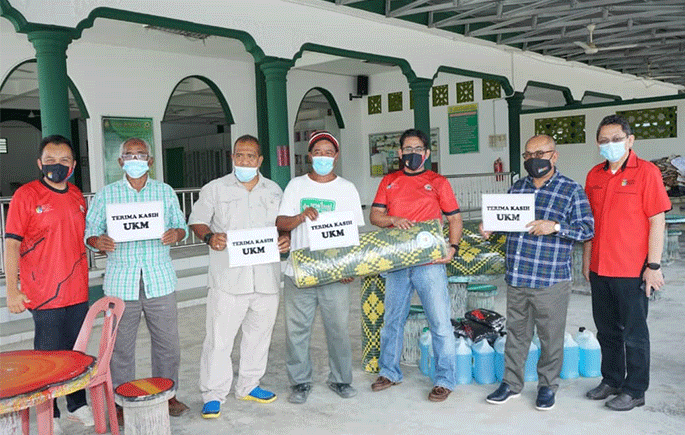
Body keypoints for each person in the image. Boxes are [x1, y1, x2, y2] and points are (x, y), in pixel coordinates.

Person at [482, 135, 594, 410]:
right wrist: (491, 228)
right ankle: (511, 383)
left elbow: (587, 229)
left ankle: (547, 386)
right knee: (516, 334)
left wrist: (555, 227)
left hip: (550, 279)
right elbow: (507, 225)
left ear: (554, 156)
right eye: (528, 155)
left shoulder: (571, 190)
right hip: (518, 276)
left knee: (550, 336)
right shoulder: (517, 189)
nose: (534, 160)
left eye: (540, 154)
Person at [84, 137, 189, 422]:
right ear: (120, 162)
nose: (134, 160)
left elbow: (181, 226)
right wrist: (98, 241)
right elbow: (89, 232)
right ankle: (119, 401)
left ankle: (168, 395)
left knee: (168, 344)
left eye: (140, 155)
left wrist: (176, 234)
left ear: (150, 161)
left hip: (160, 280)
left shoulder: (164, 192)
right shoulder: (107, 195)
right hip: (121, 282)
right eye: (128, 155)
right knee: (120, 347)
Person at [188, 135, 290, 418]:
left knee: (259, 336)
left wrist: (286, 238)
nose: (244, 160)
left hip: (266, 278)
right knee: (219, 340)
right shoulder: (215, 189)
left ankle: (249, 385)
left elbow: (282, 224)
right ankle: (213, 393)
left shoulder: (274, 190)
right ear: (232, 158)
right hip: (228, 280)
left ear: (260, 160)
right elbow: (198, 220)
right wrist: (209, 237)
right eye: (239, 155)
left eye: (250, 156)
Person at [4, 135, 93, 433]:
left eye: (64, 160)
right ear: (40, 164)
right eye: (51, 160)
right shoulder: (26, 195)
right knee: (48, 355)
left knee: (76, 351)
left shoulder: (77, 195)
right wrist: (12, 290)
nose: (58, 165)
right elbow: (11, 244)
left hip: (77, 289)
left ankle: (77, 405)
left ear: (73, 165)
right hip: (43, 292)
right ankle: (49, 413)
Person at [582, 114, 671, 411]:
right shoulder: (594, 176)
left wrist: (653, 266)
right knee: (606, 331)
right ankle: (612, 380)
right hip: (600, 268)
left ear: (630, 140)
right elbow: (589, 224)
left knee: (634, 334)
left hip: (632, 269)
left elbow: (657, 221)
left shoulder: (647, 172)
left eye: (617, 139)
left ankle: (635, 390)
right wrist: (587, 260)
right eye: (604, 141)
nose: (610, 145)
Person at [369, 128, 462, 402]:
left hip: (429, 262)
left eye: (418, 149)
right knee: (392, 321)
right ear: (400, 153)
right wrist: (392, 219)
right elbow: (375, 215)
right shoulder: (389, 181)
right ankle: (389, 372)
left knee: (440, 322)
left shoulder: (438, 182)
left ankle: (444, 380)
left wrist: (452, 248)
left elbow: (454, 218)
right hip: (397, 261)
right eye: (407, 149)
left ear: (427, 153)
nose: (412, 153)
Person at [276, 131, 365, 404]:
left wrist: (350, 267)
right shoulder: (296, 186)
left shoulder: (347, 188)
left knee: (338, 329)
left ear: (336, 157)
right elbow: (281, 222)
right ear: (310, 156)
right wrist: (301, 216)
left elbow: (353, 234)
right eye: (318, 152)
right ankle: (300, 382)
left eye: (328, 153)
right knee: (296, 331)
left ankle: (340, 379)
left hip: (335, 272)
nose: (323, 157)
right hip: (299, 271)